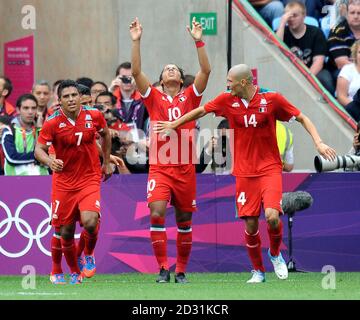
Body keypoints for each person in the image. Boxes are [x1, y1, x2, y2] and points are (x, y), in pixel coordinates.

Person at [154, 64, 336, 283]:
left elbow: (302, 117)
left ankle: (275, 254)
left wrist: (319, 142)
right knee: (250, 224)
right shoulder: (226, 100)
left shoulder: (272, 100)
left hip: (269, 169)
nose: (226, 85)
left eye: (230, 81)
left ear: (243, 82)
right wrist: (175, 123)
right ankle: (258, 271)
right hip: (243, 172)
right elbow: (201, 111)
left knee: (271, 216)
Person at [130, 16, 211, 283]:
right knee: (156, 212)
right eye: (166, 69)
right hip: (161, 167)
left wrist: (199, 41)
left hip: (185, 167)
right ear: (162, 79)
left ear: (180, 76)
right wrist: (136, 41)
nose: (171, 70)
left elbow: (206, 71)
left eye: (174, 68)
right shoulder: (153, 96)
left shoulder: (191, 96)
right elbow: (136, 73)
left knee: (185, 221)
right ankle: (163, 268)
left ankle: (181, 271)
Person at [35, 80, 113, 284]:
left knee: (90, 221)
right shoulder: (52, 122)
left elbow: (105, 135)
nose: (71, 99)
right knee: (65, 231)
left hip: (89, 177)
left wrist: (106, 161)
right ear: (59, 101)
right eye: (66, 97)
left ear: (80, 97)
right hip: (64, 182)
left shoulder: (94, 115)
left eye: (74, 95)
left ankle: (88, 254)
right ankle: (71, 271)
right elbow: (38, 149)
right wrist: (51, 161)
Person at [276, 1, 335, 94]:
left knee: (325, 78)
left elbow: (318, 62)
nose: (291, 19)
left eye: (295, 15)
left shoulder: (316, 33)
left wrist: (306, 78)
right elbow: (275, 50)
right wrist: (282, 23)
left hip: (312, 71)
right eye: (288, 16)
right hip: (288, 71)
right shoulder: (282, 32)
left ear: (304, 16)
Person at [1, 94, 49, 176]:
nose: (30, 112)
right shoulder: (9, 131)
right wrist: (38, 157)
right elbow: (12, 158)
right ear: (18, 110)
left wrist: (40, 128)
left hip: (41, 181)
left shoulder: (41, 130)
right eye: (26, 108)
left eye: (33, 108)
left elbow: (49, 153)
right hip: (16, 183)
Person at [337, 40, 360, 120]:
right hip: (351, 113)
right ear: (355, 54)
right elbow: (341, 96)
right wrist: (356, 109)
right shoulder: (348, 69)